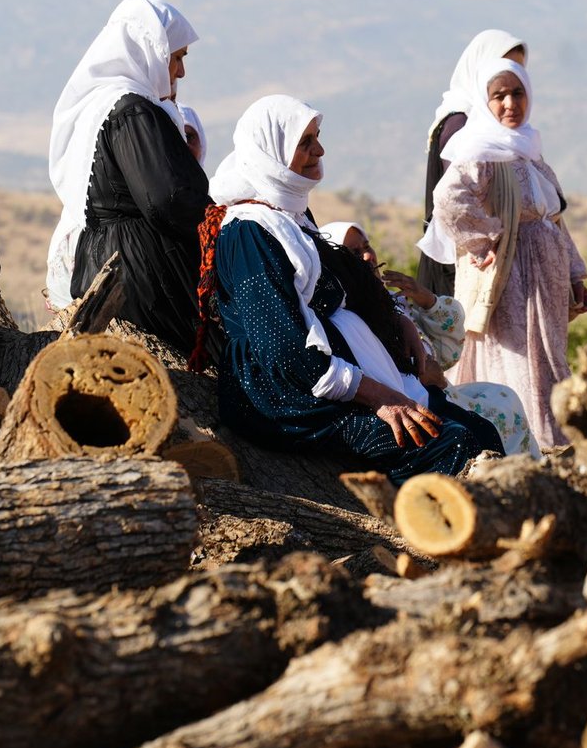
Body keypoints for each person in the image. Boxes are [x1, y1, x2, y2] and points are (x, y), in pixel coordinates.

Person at [203, 95, 504, 482]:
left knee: (481, 433)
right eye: (304, 143)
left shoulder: (290, 216)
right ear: (271, 153)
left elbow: (346, 283)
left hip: (337, 378)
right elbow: (282, 350)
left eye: (317, 137)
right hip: (289, 395)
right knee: (452, 444)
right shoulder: (249, 233)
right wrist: (380, 396)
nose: (319, 150)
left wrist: (398, 323)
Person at [423, 59, 587, 451]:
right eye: (498, 96)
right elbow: (448, 200)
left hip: (544, 275)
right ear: (485, 102)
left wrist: (574, 276)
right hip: (510, 277)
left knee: (546, 354)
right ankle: (526, 442)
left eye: (517, 94)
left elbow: (554, 219)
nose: (510, 104)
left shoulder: (529, 150)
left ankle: (554, 439)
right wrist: (486, 239)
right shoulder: (479, 150)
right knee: (516, 356)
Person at [46, 0, 211, 354]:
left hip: (108, 263)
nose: (180, 71)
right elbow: (168, 198)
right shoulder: (132, 111)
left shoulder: (103, 106)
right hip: (141, 274)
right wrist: (219, 223)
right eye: (177, 57)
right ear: (148, 50)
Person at [320, 220, 539, 457]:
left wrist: (427, 300)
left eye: (366, 246)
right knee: (497, 417)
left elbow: (449, 352)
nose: (367, 256)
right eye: (354, 252)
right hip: (421, 402)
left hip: (444, 393)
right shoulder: (352, 315)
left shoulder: (394, 302)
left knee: (502, 395)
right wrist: (421, 375)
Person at [417, 29, 527, 297]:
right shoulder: (461, 125)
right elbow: (455, 199)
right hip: (461, 267)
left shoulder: (493, 127)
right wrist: (483, 241)